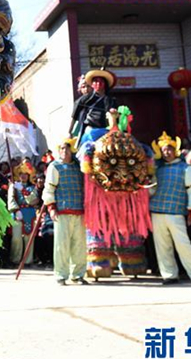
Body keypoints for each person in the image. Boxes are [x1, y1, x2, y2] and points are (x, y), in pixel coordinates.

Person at [149, 132, 191, 286]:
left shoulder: (186, 168)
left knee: (183, 245)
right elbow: (151, 190)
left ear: (176, 150)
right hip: (157, 211)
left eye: (169, 149)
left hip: (176, 212)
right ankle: (169, 274)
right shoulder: (157, 170)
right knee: (162, 246)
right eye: (164, 150)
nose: (167, 152)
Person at [43, 140, 86, 285]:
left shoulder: (79, 167)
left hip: (79, 210)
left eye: (67, 148)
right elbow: (49, 189)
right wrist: (51, 208)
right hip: (62, 211)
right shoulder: (54, 167)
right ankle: (61, 275)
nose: (65, 151)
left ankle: (78, 274)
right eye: (62, 148)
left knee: (79, 245)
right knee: (61, 245)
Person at [69, 68, 117, 147]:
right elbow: (74, 116)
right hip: (90, 130)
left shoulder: (111, 101)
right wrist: (69, 132)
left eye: (101, 81)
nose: (98, 83)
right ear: (92, 84)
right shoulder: (85, 99)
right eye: (96, 81)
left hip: (107, 132)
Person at [8, 161, 39, 268]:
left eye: (26, 174)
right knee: (16, 238)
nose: (23, 176)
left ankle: (27, 261)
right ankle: (15, 259)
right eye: (21, 173)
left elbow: (32, 200)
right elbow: (10, 199)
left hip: (29, 213)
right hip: (17, 213)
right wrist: (15, 210)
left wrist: (23, 190)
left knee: (29, 238)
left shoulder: (33, 188)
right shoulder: (13, 186)